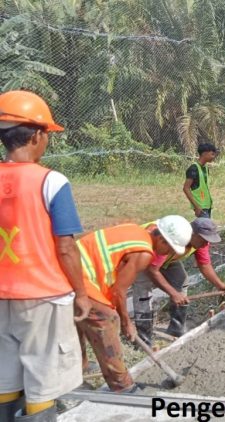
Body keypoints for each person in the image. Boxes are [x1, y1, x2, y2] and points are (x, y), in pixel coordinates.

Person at [0, 90, 92, 421]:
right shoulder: (52, 181)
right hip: (43, 296)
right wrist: (81, 293)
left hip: (2, 297)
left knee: (5, 378)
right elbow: (65, 246)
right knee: (42, 382)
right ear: (38, 135)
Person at [76, 216, 192, 394]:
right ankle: (123, 387)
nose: (167, 254)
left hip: (71, 267)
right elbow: (118, 291)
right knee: (107, 321)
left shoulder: (136, 230)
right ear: (161, 239)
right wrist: (125, 322)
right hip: (80, 275)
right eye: (168, 249)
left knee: (80, 319)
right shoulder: (144, 253)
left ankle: (80, 367)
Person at [133, 218, 225, 346]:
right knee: (144, 291)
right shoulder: (174, 236)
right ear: (193, 234)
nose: (205, 244)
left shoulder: (201, 242)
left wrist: (221, 285)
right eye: (204, 240)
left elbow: (204, 265)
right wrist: (173, 294)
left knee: (181, 280)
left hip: (167, 256)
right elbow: (152, 270)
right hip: (144, 253)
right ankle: (144, 339)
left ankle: (176, 328)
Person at [183, 143, 217, 218]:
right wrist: (196, 206)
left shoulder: (205, 168)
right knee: (204, 228)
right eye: (212, 154)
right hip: (200, 207)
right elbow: (186, 188)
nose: (213, 157)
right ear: (204, 154)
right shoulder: (193, 169)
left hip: (207, 205)